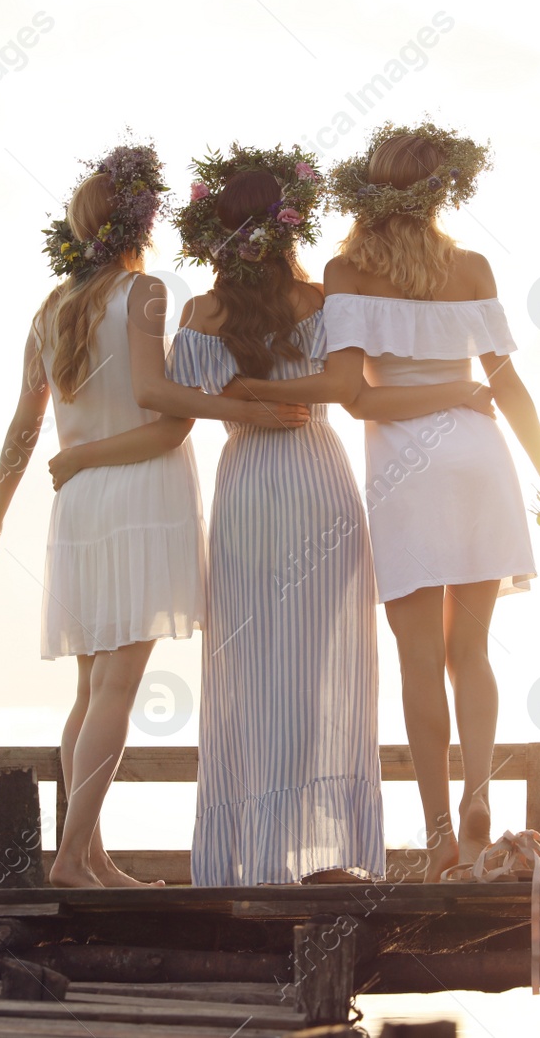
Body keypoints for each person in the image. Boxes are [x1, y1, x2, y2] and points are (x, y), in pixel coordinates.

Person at [0, 144, 301, 888]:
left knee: (90, 689)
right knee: (115, 686)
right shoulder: (144, 294)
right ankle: (70, 858)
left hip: (81, 503)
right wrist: (242, 409)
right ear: (139, 222)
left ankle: (90, 854)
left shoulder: (49, 309)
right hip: (141, 493)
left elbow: (24, 424)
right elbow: (162, 409)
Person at [163, 147, 486, 885]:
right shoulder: (322, 304)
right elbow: (352, 386)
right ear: (289, 227)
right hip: (317, 477)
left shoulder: (201, 314)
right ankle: (327, 856)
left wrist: (237, 403)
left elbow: (175, 414)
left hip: (246, 482)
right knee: (316, 669)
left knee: (246, 670)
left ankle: (259, 857)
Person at [322, 123, 540, 881]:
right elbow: (505, 385)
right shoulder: (470, 268)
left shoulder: (347, 272)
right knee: (472, 650)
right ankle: (478, 797)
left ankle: (440, 833)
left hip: (408, 469)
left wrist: (433, 392)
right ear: (444, 190)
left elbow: (358, 402)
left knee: (419, 661)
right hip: (479, 461)